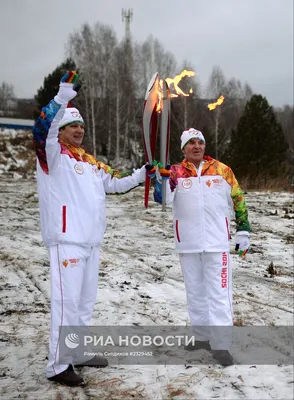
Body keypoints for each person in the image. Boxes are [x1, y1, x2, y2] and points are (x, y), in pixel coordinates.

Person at [33, 71, 147, 386]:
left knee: (84, 304)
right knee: (66, 304)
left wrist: (141, 174)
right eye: (73, 125)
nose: (80, 129)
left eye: (82, 125)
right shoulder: (51, 157)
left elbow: (116, 182)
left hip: (91, 243)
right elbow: (43, 129)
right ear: (62, 130)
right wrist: (61, 99)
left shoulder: (90, 162)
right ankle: (57, 365)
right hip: (67, 241)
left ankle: (78, 351)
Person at [154, 128, 250, 366]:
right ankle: (201, 337)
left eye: (200, 142)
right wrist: (162, 178)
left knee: (219, 295)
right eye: (191, 143)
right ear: (183, 148)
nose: (196, 146)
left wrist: (243, 229)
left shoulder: (222, 170)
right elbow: (162, 200)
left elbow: (238, 199)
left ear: (204, 146)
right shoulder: (175, 171)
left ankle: (221, 345)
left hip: (217, 243)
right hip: (188, 243)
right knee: (195, 293)